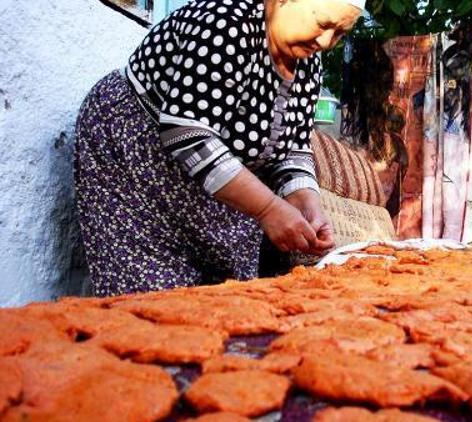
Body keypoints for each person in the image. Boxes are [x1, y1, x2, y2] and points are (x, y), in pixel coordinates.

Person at [74, 0, 364, 296]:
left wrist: (306, 202)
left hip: (209, 174)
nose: (327, 41)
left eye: (340, 32)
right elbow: (188, 131)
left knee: (223, 299)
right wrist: (268, 208)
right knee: (152, 302)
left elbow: (293, 146)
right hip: (137, 157)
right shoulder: (226, 21)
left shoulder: (308, 63)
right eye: (323, 23)